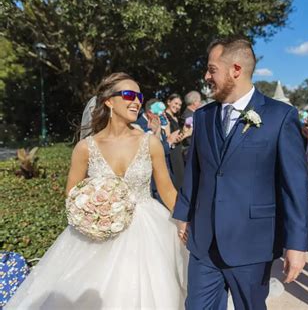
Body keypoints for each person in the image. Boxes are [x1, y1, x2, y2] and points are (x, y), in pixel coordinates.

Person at [6, 72, 188, 309]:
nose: (136, 101)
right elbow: (72, 194)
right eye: (129, 95)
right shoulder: (85, 148)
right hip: (98, 236)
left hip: (149, 232)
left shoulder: (149, 142)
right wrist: (94, 213)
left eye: (139, 96)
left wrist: (186, 221)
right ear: (109, 101)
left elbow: (167, 191)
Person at [173, 37, 308, 310]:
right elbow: (195, 171)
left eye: (212, 69)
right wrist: (183, 214)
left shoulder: (280, 116)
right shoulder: (203, 116)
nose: (206, 76)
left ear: (236, 69)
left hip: (253, 242)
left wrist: (297, 243)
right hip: (204, 241)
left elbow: (294, 185)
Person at [165, 93, 192, 189]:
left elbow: (178, 137)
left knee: (180, 180)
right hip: (171, 153)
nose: (177, 107)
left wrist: (186, 133)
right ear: (168, 102)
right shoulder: (164, 117)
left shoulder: (176, 118)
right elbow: (167, 138)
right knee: (175, 181)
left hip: (178, 151)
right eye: (175, 103)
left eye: (179, 105)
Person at [182, 91, 202, 157]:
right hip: (190, 150)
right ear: (194, 102)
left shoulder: (189, 113)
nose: (200, 103)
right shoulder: (189, 115)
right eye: (199, 101)